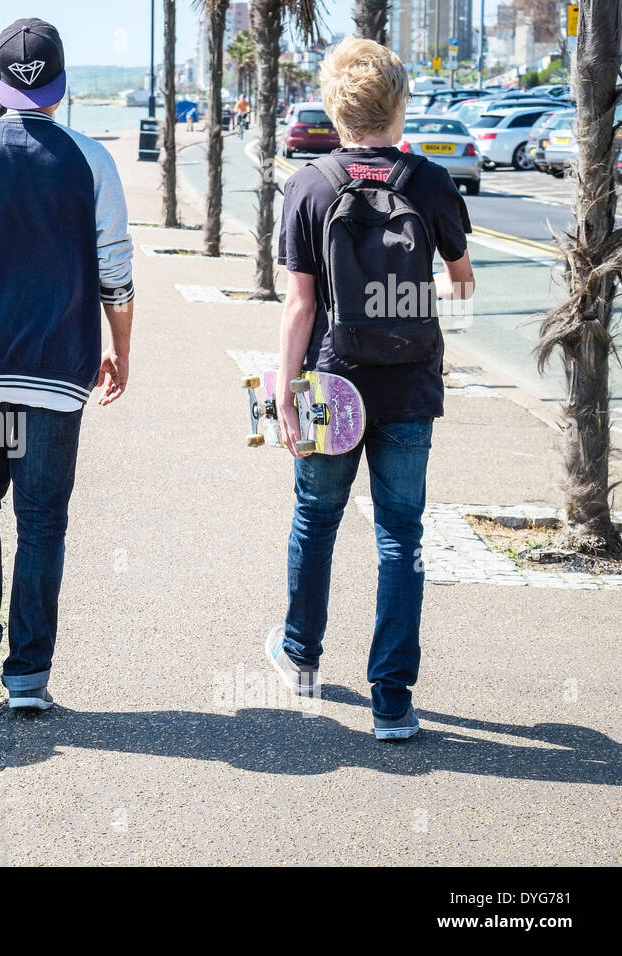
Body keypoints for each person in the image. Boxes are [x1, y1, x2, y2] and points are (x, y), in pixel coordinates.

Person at [0, 18, 134, 711]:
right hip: (58, 371)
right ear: (62, 86)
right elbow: (115, 273)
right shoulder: (90, 160)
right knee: (41, 520)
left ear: (0, 83)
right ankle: (29, 675)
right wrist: (120, 349)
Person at [271, 37, 475, 740]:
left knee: (316, 518)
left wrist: (284, 389)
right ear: (398, 107)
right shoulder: (430, 182)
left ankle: (300, 656)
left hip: (332, 383)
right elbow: (462, 279)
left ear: (335, 110)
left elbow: (299, 306)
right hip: (410, 386)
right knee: (400, 538)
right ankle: (392, 700)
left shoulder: (310, 184)